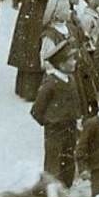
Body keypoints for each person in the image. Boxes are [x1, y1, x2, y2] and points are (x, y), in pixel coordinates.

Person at [31, 40, 83, 188]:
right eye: (71, 59)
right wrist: (51, 121)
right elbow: (37, 110)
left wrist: (77, 117)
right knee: (53, 165)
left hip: (70, 127)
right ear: (61, 65)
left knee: (68, 161)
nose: (74, 62)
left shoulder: (71, 79)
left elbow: (76, 101)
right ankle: (52, 195)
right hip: (55, 130)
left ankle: (67, 188)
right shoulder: (50, 83)